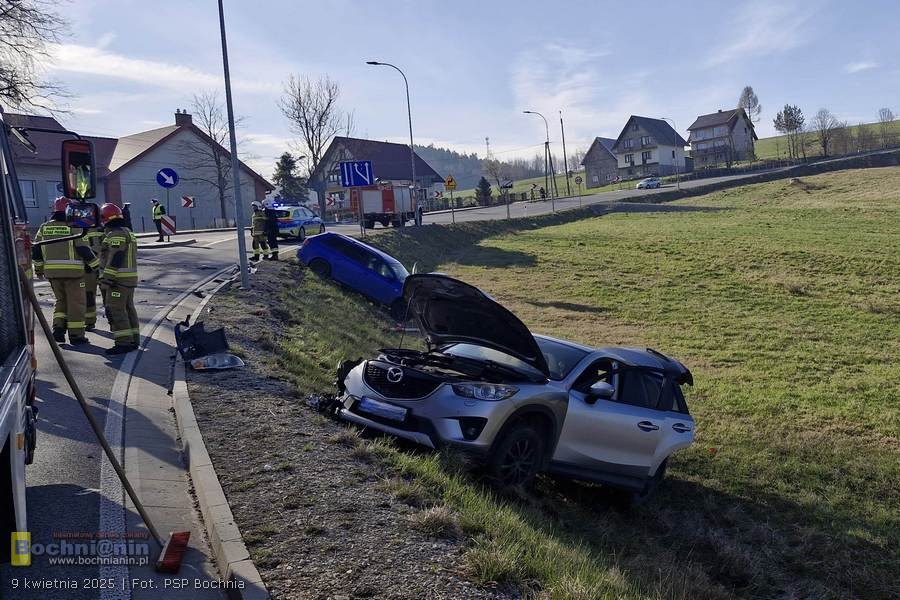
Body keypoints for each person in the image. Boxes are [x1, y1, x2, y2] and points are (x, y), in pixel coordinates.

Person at [32, 197, 99, 345]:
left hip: (52, 274)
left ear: (54, 210)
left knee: (60, 301)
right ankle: (76, 336)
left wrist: (38, 269)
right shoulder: (74, 226)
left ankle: (58, 330)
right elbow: (83, 249)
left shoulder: (44, 227)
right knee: (76, 304)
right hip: (74, 274)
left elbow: (36, 249)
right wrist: (96, 267)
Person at [98, 203, 140, 355]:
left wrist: (107, 278)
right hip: (128, 279)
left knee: (116, 309)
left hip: (117, 280)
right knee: (128, 309)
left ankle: (123, 343)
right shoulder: (127, 232)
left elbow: (116, 256)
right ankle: (134, 339)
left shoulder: (115, 234)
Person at [84, 212, 106, 331]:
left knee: (89, 296)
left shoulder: (82, 230)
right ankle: (113, 322)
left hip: (89, 268)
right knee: (107, 296)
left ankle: (89, 322)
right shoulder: (105, 230)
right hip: (103, 268)